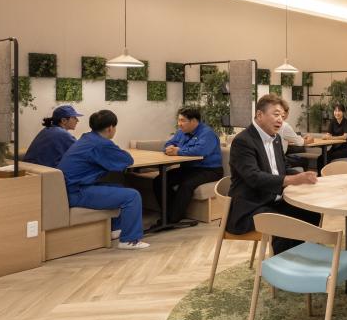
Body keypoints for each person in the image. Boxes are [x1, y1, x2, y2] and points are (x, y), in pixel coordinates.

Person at [228, 94, 321, 252]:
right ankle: (285, 263)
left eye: (282, 116)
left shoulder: (276, 138)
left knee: (311, 212)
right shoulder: (243, 141)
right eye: (276, 114)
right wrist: (293, 179)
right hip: (251, 206)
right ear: (259, 115)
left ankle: (302, 256)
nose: (280, 120)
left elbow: (283, 168)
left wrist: (305, 177)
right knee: (283, 222)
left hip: (273, 201)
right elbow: (254, 177)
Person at [58, 109, 149, 250]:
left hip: (67, 189)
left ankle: (116, 229)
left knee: (118, 188)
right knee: (132, 196)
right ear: (110, 128)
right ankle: (130, 240)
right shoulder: (100, 144)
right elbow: (126, 160)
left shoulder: (87, 138)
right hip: (76, 192)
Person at [153, 106, 223, 223]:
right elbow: (168, 143)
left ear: (194, 121)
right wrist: (168, 148)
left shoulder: (207, 133)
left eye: (182, 120)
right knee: (159, 180)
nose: (179, 124)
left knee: (186, 185)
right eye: (179, 120)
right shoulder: (181, 132)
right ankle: (169, 213)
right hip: (188, 168)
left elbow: (200, 151)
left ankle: (172, 219)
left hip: (209, 170)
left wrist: (178, 151)